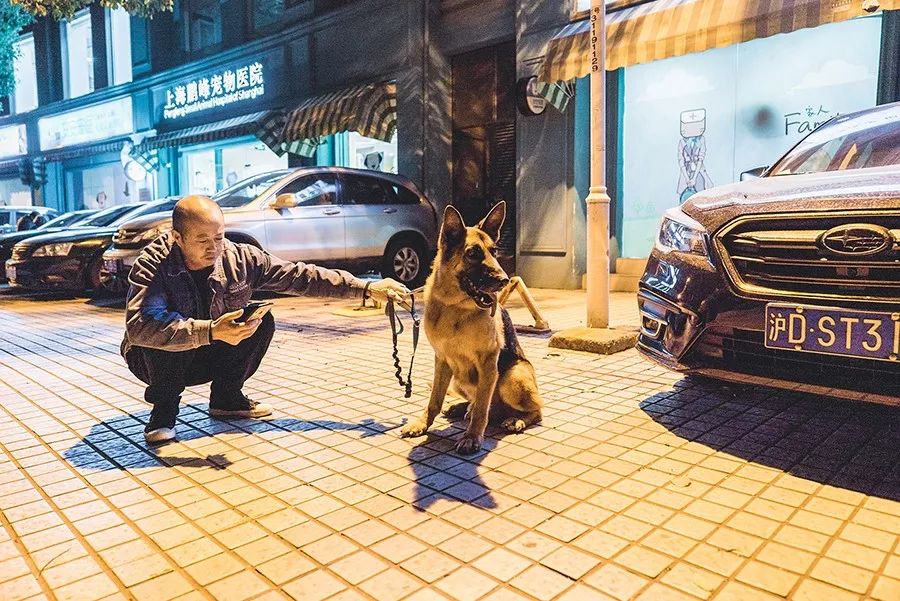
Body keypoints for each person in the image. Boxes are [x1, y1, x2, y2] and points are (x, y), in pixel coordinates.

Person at [121, 195, 410, 443]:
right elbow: (140, 327)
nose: (213, 248)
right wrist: (209, 331)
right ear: (177, 237)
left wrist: (367, 288)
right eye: (202, 240)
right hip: (154, 362)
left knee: (261, 320)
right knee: (162, 329)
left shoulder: (241, 258)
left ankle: (226, 398)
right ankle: (164, 412)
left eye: (219, 237)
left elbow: (300, 276)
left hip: (209, 351)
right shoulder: (153, 264)